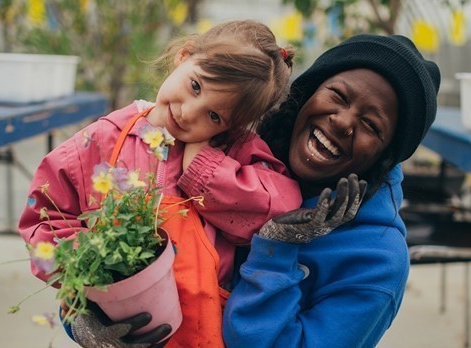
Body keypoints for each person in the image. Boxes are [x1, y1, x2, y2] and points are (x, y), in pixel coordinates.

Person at [68, 33, 440, 348]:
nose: (342, 122)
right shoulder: (226, 151)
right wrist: (81, 313)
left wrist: (276, 251)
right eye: (338, 96)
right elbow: (108, 237)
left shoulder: (376, 261)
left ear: (384, 156)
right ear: (307, 93)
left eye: (371, 125)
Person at [19, 19, 301, 347]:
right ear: (184, 56)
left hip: (204, 327)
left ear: (231, 126)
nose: (188, 112)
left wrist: (204, 170)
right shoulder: (103, 139)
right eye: (196, 86)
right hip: (121, 323)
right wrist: (89, 283)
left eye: (214, 116)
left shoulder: (233, 150)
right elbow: (45, 215)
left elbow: (281, 204)